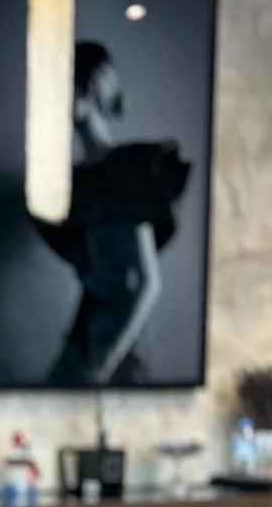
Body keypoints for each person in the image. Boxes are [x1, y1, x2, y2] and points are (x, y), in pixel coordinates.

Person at [38, 40, 191, 387]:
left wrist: (107, 362)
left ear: (86, 89)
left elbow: (149, 284)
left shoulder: (129, 170)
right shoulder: (73, 184)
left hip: (117, 344)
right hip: (81, 334)